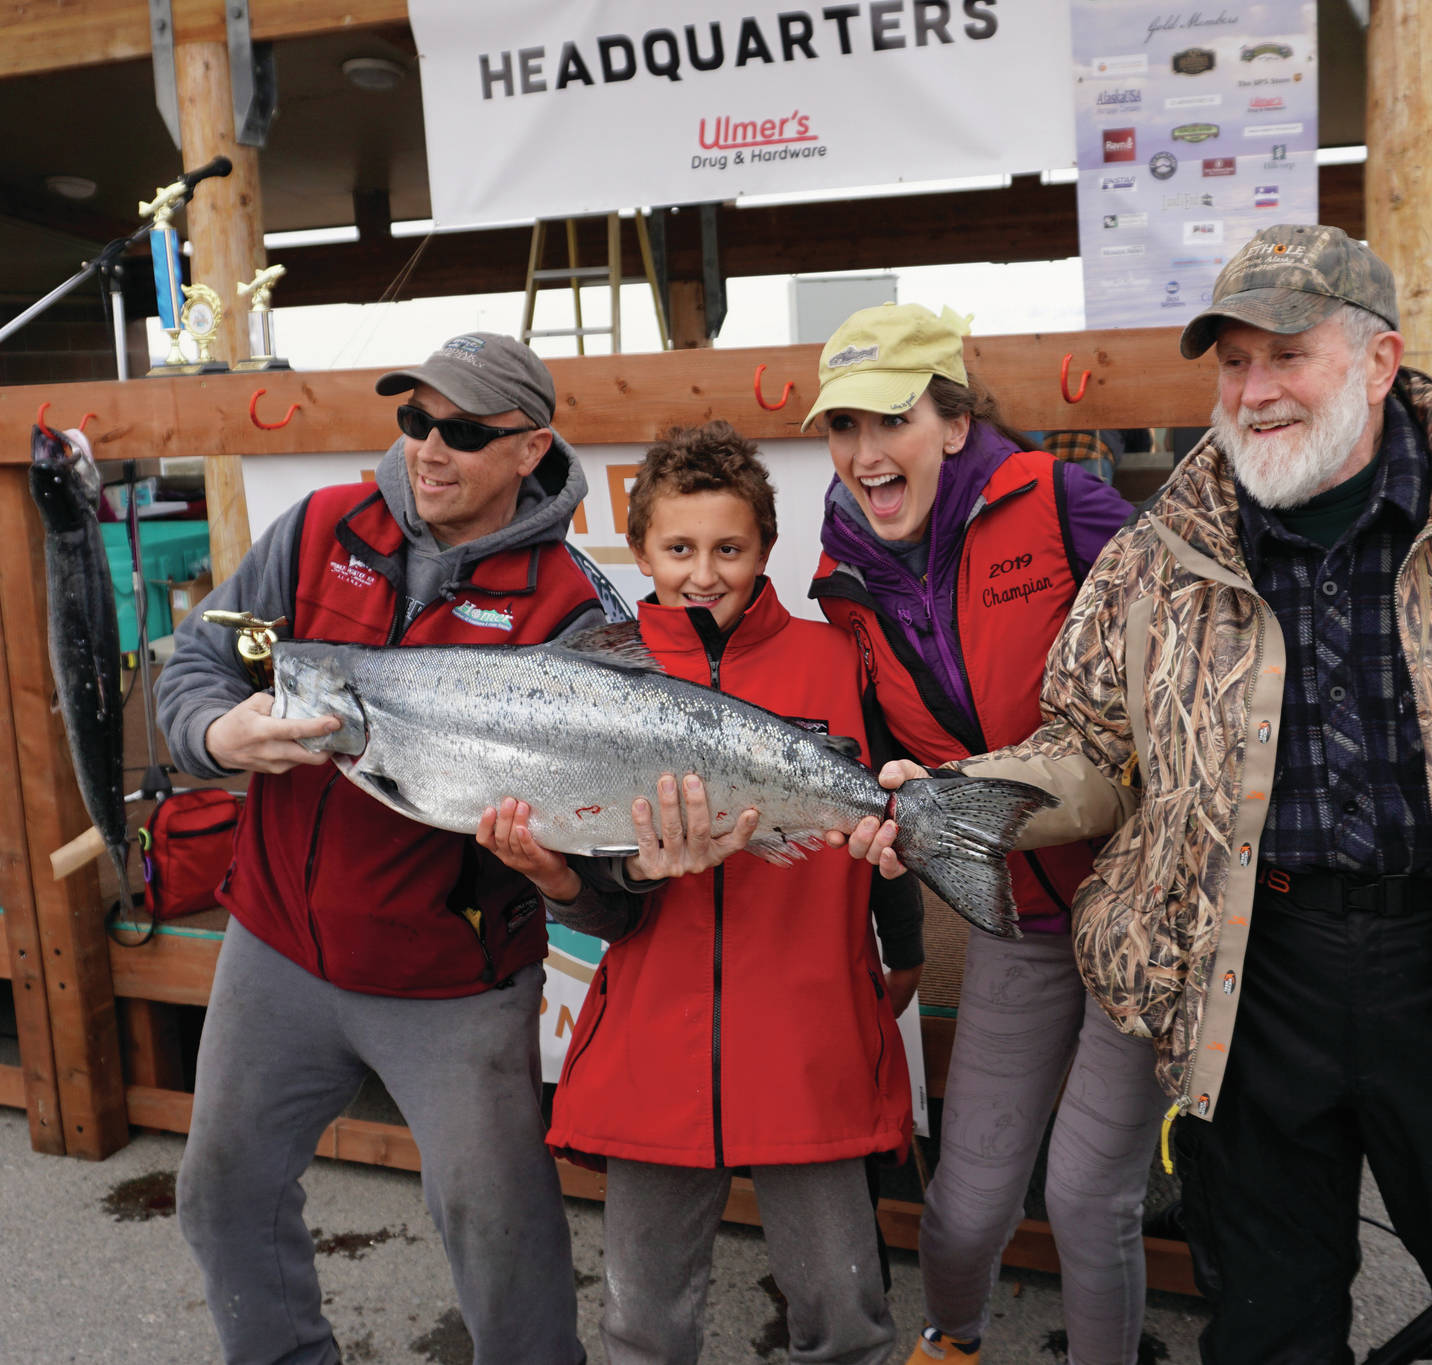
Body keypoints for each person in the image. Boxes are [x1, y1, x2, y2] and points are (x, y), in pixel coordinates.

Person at [845, 224, 1432, 1365]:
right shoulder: (1162, 557)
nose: (1253, 393)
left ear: (1375, 358)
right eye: (1231, 364)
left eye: (1286, 357)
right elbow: (1088, 747)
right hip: (1251, 980)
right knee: (1264, 1319)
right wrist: (953, 796)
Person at [155, 333, 603, 1364]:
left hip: (452, 981)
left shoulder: (569, 603)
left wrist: (562, 869)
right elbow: (201, 664)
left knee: (503, 1244)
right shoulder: (317, 527)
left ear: (530, 448)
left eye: (460, 431)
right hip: (272, 949)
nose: (426, 450)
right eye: (413, 420)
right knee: (221, 1193)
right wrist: (218, 736)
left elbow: (607, 862)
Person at [475, 422, 921, 1365]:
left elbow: (889, 813)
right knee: (642, 1323)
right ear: (639, 552)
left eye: (728, 547)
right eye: (678, 549)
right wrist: (568, 874)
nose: (703, 572)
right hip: (652, 1046)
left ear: (765, 547)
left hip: (812, 1040)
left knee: (845, 1315)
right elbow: (603, 905)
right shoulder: (591, 673)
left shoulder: (839, 659)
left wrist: (904, 946)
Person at [800, 303, 1144, 1365]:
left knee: (1088, 1200)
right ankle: (952, 1341)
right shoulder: (844, 573)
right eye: (840, 427)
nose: (863, 453)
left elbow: (1188, 683)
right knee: (962, 1205)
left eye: (887, 421)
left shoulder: (1060, 503)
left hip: (1140, 913)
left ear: (950, 422)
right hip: (1017, 917)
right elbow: (871, 753)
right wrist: (882, 821)